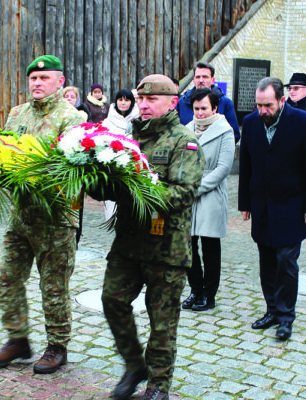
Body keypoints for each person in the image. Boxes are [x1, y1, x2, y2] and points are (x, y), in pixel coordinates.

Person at [90, 74, 204, 400]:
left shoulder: (185, 142)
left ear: (172, 102)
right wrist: (92, 180)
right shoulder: (129, 138)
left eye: (151, 99)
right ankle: (133, 365)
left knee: (162, 323)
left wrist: (138, 187)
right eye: (140, 99)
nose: (143, 105)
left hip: (166, 248)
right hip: (128, 243)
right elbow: (114, 187)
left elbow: (183, 193)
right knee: (112, 300)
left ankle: (157, 386)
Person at [0, 55, 85, 374]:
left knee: (53, 286)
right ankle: (18, 340)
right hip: (21, 216)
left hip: (56, 219)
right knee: (8, 278)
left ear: (60, 81)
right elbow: (2, 153)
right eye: (33, 79)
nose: (37, 83)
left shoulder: (72, 117)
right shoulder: (17, 114)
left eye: (44, 78)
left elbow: (70, 167)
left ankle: (57, 346)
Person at [238, 77, 306, 341]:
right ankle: (272, 310)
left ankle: (286, 317)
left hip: (292, 205)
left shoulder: (303, 122)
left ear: (282, 100)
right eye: (259, 105)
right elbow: (246, 166)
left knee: (286, 261)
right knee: (266, 260)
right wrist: (245, 203)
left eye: (268, 105)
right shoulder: (251, 123)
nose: (263, 110)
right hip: (262, 204)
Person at [181, 88, 235, 312]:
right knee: (188, 245)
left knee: (210, 247)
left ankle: (209, 294)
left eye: (204, 108)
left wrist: (196, 188)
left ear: (214, 108)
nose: (200, 113)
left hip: (210, 194)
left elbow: (223, 168)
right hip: (188, 193)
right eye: (196, 109)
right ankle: (195, 289)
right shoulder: (186, 130)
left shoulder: (225, 131)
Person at [176, 61, 241, 143]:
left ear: (212, 80)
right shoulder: (182, 103)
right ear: (194, 80)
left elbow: (234, 134)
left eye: (205, 77)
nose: (201, 80)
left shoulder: (225, 102)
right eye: (198, 77)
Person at [101, 89, 140, 221]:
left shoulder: (138, 120)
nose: (123, 103)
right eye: (120, 100)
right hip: (113, 169)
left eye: (127, 100)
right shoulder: (108, 122)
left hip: (133, 169)